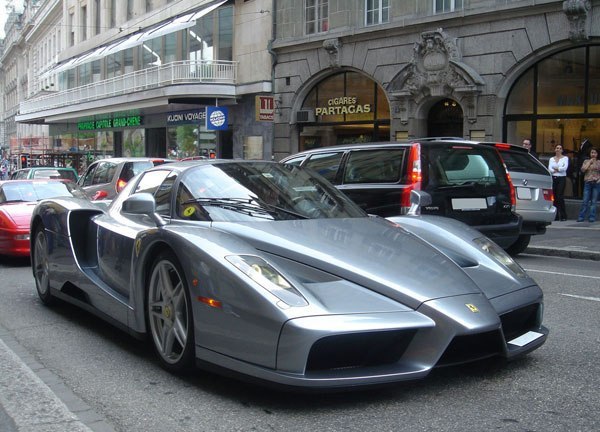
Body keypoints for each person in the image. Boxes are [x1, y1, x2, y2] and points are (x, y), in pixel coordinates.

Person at [577, 147, 600, 223]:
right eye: (592, 153)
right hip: (587, 183)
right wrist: (590, 162)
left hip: (596, 183)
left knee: (593, 202)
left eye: (595, 153)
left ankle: (592, 217)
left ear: (597, 154)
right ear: (590, 154)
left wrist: (599, 180)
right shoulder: (586, 161)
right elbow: (583, 169)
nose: (593, 154)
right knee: (585, 201)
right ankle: (581, 217)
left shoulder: (599, 162)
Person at [548, 144, 569, 221]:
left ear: (562, 150)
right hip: (554, 178)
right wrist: (557, 169)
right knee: (554, 197)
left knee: (560, 196)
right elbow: (550, 169)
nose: (558, 149)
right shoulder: (551, 159)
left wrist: (557, 169)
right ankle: (556, 216)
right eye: (557, 148)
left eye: (560, 148)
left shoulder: (565, 158)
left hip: (561, 178)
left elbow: (565, 168)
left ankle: (563, 215)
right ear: (555, 150)